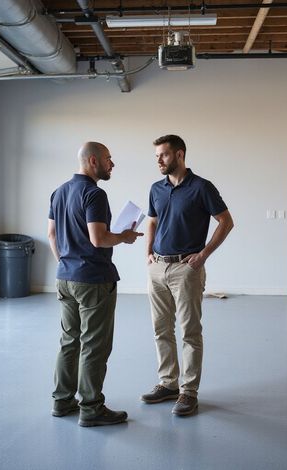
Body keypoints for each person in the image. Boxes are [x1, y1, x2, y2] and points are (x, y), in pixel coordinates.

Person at [48, 141, 143, 427]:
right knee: (94, 345)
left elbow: (52, 234)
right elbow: (98, 239)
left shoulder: (59, 191)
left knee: (69, 341)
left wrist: (66, 264)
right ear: (93, 161)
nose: (111, 164)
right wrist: (125, 236)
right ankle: (91, 408)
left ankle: (62, 402)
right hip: (93, 280)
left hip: (65, 278)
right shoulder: (94, 194)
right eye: (108, 159)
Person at [141, 134, 234, 416]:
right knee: (161, 329)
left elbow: (226, 222)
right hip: (157, 267)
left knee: (190, 332)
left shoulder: (202, 187)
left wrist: (203, 255)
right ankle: (168, 383)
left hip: (186, 269)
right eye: (156, 155)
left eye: (164, 155)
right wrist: (148, 252)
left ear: (179, 155)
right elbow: (153, 222)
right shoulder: (156, 188)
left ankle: (188, 392)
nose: (158, 160)